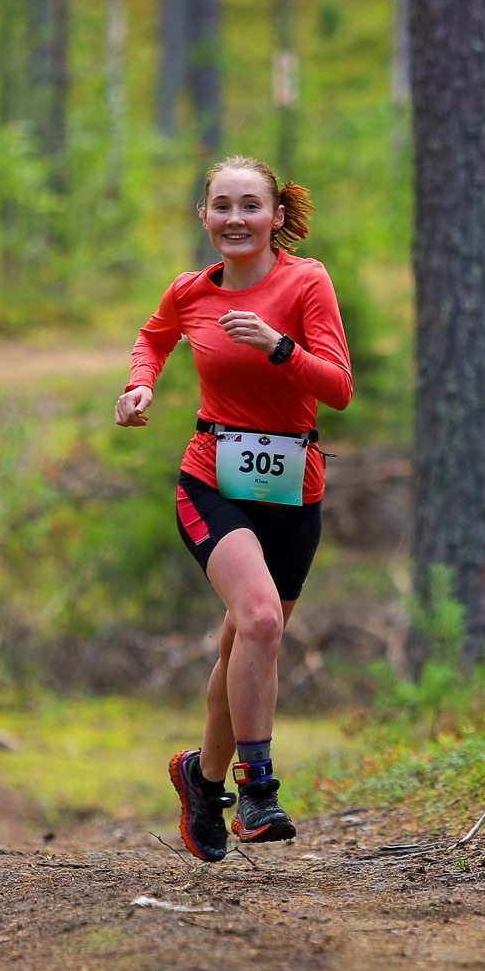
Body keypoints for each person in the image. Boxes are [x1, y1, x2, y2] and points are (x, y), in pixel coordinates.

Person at [115, 156, 353, 862]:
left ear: (277, 216)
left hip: (293, 489)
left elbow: (338, 388)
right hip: (211, 480)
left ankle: (201, 776)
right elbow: (154, 336)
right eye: (222, 205)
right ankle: (257, 789)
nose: (235, 219)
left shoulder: (306, 282)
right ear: (204, 215)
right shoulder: (190, 292)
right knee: (259, 620)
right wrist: (141, 387)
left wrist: (279, 347)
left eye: (251, 206)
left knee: (242, 648)